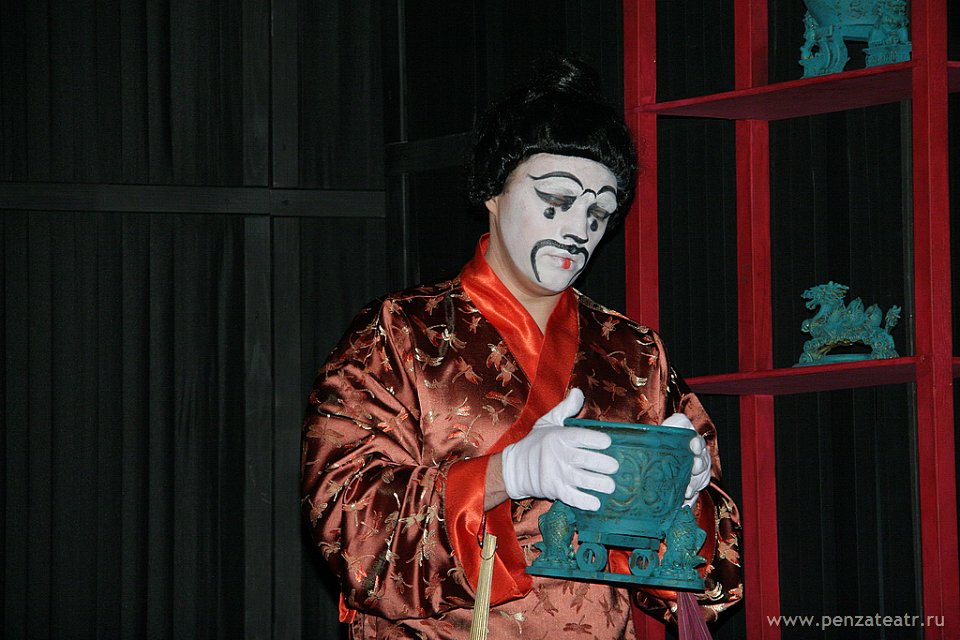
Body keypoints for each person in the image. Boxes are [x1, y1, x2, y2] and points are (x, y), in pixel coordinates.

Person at [301, 56, 742, 639]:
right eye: (555, 201)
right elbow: (345, 525)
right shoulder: (399, 332)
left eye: (598, 213)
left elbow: (714, 584)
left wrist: (683, 499)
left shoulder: (635, 354)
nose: (578, 230)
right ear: (492, 190)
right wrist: (505, 474)